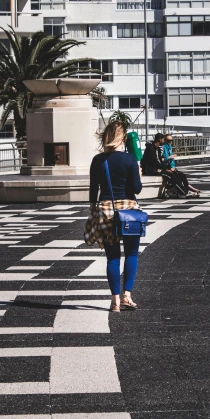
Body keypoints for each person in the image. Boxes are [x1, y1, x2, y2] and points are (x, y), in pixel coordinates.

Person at [85, 121, 143, 312]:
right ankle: (127, 295)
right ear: (123, 138)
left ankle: (115, 301)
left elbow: (93, 190)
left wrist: (93, 210)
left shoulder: (97, 160)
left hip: (105, 209)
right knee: (132, 253)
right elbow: (136, 189)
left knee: (112, 257)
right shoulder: (129, 160)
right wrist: (138, 173)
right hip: (128, 210)